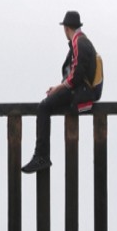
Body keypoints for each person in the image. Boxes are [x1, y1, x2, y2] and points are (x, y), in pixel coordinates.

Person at [22, 11, 102, 174]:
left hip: (84, 93)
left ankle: (41, 156)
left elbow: (76, 76)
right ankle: (41, 155)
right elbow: (75, 75)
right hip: (84, 91)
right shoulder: (82, 41)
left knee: (44, 107)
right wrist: (58, 87)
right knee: (48, 104)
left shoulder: (79, 43)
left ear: (66, 28)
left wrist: (59, 88)